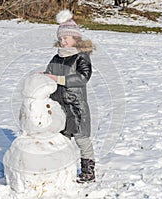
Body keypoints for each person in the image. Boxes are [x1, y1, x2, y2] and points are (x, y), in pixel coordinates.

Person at [44, 9, 95, 183]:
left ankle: (88, 170)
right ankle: (62, 167)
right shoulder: (56, 58)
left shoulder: (81, 57)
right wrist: (42, 79)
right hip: (60, 106)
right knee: (61, 139)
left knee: (82, 138)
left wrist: (59, 79)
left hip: (76, 105)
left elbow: (83, 77)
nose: (63, 41)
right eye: (61, 38)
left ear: (76, 39)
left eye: (66, 38)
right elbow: (48, 74)